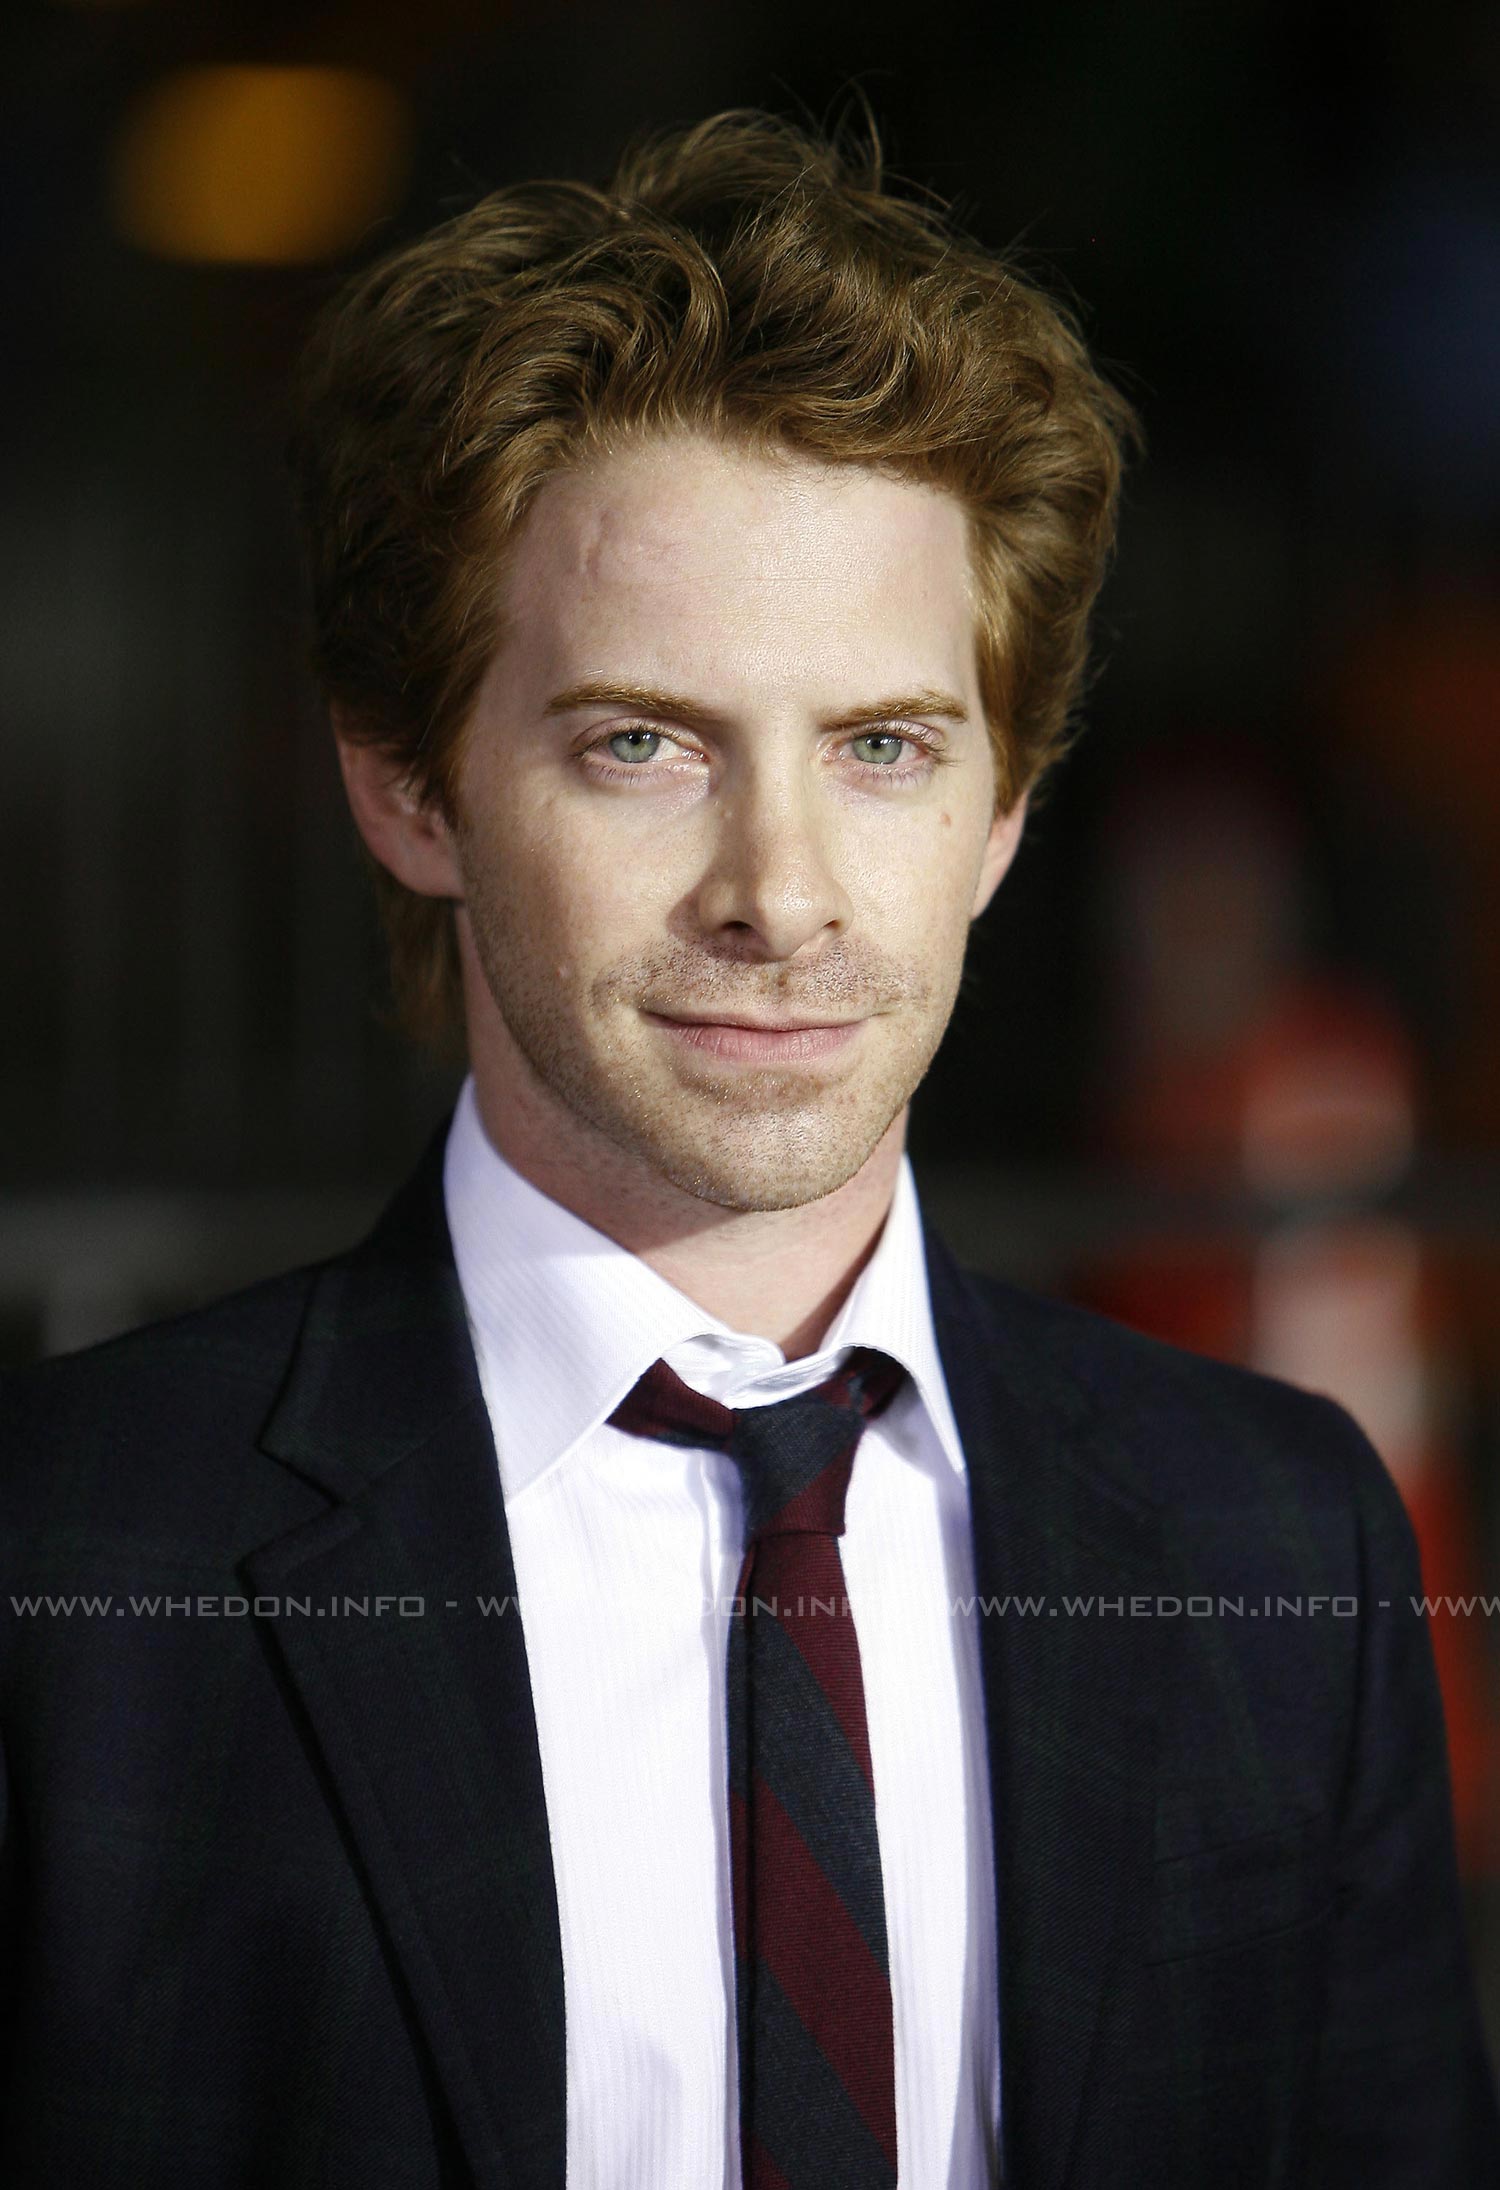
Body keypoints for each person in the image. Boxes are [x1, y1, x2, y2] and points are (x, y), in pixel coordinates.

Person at [1, 109, 1496, 2190]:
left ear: (1000, 812)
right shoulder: (69, 1564)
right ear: (409, 791)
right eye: (643, 744)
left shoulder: (1279, 1540)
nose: (779, 893)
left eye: (882, 747)